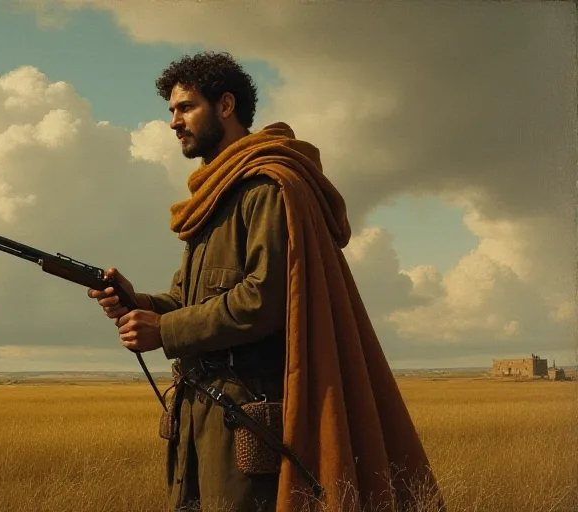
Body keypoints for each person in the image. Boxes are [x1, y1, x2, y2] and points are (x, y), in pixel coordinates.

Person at [88, 52, 442, 512]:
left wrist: (165, 331)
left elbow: (264, 298)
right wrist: (138, 301)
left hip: (247, 418)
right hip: (200, 420)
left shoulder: (266, 188)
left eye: (186, 107)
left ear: (226, 105)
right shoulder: (215, 197)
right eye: (171, 111)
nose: (174, 122)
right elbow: (184, 298)